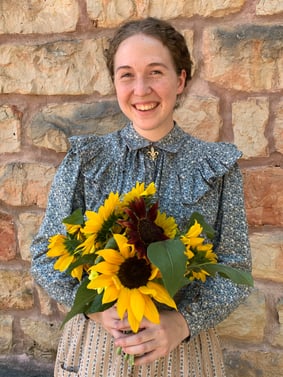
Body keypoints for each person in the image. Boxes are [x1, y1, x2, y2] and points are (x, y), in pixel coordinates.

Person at [30, 17, 252, 377]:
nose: (141, 89)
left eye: (155, 72)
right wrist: (95, 310)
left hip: (184, 352)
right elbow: (44, 255)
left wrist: (182, 323)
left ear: (180, 80)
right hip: (98, 351)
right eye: (127, 74)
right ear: (115, 82)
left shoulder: (218, 166)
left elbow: (235, 270)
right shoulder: (87, 159)